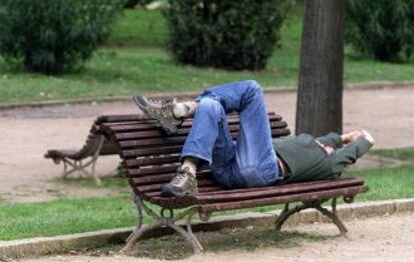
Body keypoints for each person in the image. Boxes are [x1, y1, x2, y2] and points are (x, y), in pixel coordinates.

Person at [134, 80, 374, 198]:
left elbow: (349, 152)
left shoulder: (329, 166)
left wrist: (364, 141)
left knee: (251, 89)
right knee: (209, 106)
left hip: (261, 170)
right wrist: (343, 137)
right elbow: (331, 139)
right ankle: (188, 172)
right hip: (228, 167)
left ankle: (176, 112)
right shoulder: (315, 142)